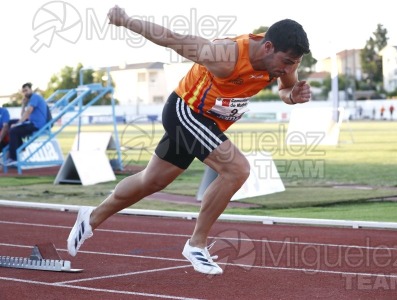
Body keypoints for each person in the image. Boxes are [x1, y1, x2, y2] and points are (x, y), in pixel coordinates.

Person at [67, 5, 311, 275]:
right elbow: (171, 38)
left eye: (293, 64)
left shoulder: (286, 60)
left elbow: (286, 89)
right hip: (185, 111)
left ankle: (90, 217)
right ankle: (197, 243)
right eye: (286, 63)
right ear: (267, 47)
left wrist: (292, 96)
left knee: (152, 180)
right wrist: (126, 21)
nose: (288, 69)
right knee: (237, 169)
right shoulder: (225, 55)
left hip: (209, 122)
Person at [4, 83, 48, 165]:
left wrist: (18, 123)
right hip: (31, 122)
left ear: (31, 90)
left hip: (36, 125)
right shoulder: (30, 100)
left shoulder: (35, 97)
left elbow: (29, 111)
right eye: (23, 91)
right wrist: (23, 105)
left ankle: (13, 158)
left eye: (26, 90)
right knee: (10, 123)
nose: (25, 93)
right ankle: (21, 146)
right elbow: (23, 114)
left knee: (13, 131)